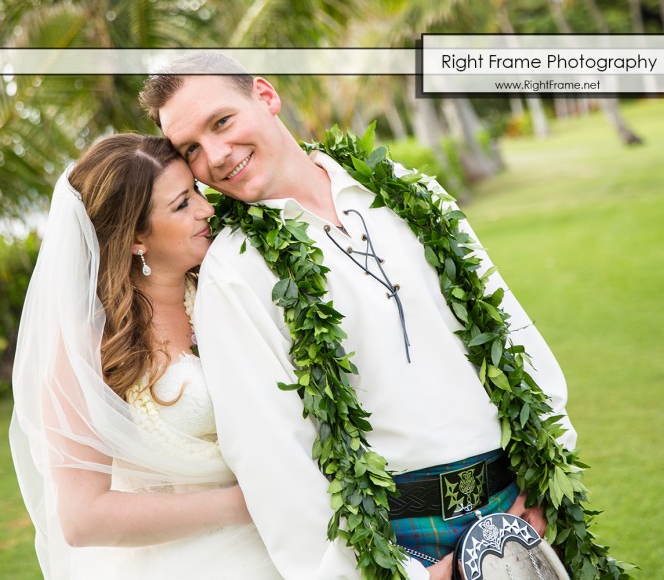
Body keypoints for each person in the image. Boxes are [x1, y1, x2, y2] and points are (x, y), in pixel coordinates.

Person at [139, 54, 578, 580]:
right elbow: (271, 459)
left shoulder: (408, 194)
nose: (215, 155)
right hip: (403, 547)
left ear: (265, 95)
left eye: (222, 122)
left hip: (518, 510)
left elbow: (510, 327)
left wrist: (549, 474)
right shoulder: (234, 274)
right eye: (192, 149)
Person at [9, 133, 280, 579]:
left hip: (287, 538)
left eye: (196, 191)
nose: (206, 209)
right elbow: (82, 518)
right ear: (136, 237)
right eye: (181, 205)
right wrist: (245, 503)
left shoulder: (227, 288)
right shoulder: (89, 343)